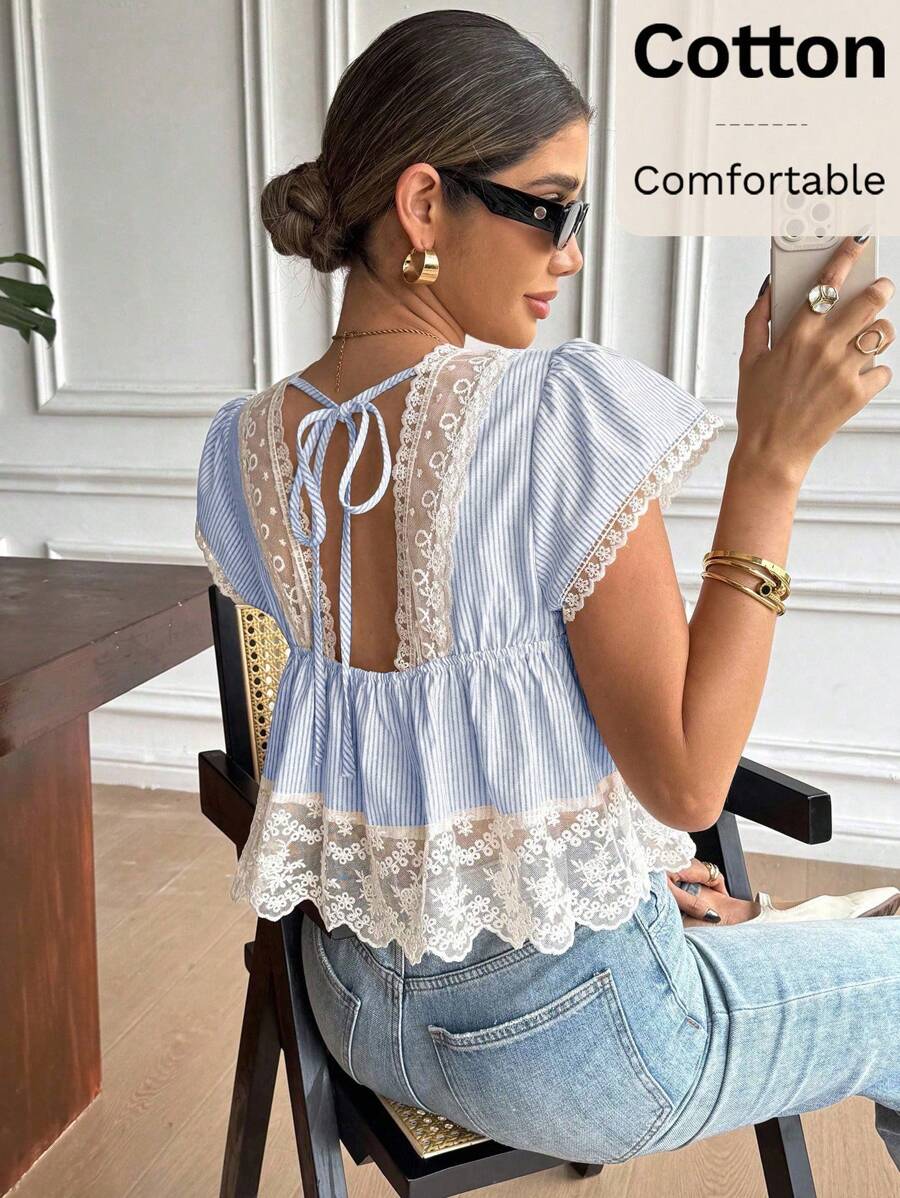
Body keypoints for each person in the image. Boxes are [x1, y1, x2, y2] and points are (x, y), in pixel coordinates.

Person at [194, 8, 900, 1174]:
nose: (569, 254)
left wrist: (592, 862)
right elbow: (687, 781)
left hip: (355, 1005)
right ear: (425, 205)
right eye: (550, 208)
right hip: (577, 1041)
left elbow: (413, 733)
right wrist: (772, 463)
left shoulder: (242, 448)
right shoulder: (551, 415)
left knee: (824, 930)